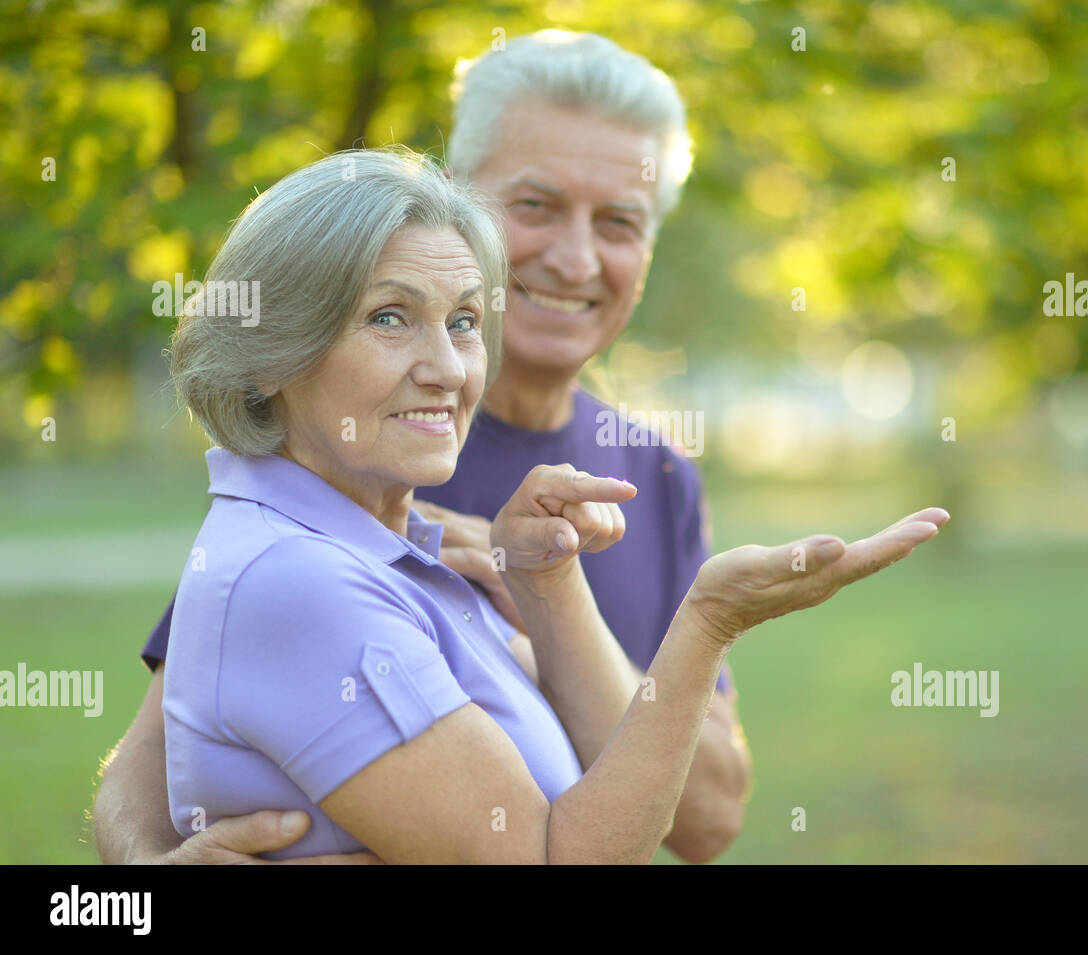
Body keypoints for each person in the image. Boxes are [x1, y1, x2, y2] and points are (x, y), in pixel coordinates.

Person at [146, 145, 949, 863]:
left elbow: (686, 812)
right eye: (389, 317)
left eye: (463, 320)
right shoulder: (299, 577)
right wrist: (708, 623)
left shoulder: (399, 545)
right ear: (266, 359)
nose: (449, 368)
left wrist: (550, 580)